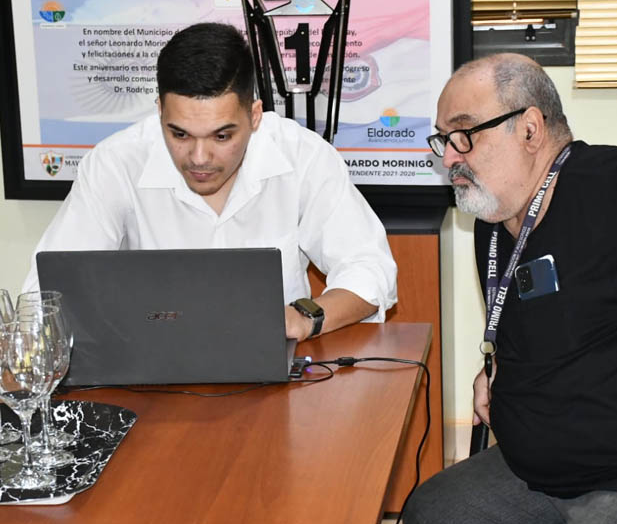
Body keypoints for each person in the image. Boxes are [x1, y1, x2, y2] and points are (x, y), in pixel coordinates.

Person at [403, 52, 617, 524]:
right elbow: (556, 321)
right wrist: (497, 368)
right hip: (533, 465)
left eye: (465, 135)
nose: (450, 157)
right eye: (443, 139)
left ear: (530, 129)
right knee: (433, 521)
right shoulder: (492, 218)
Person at [24, 23, 397, 341]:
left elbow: (370, 268)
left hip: (277, 363)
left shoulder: (303, 156)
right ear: (160, 112)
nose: (199, 157)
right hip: (149, 363)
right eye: (180, 134)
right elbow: (47, 293)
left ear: (254, 115)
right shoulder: (115, 163)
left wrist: (303, 318)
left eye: (222, 136)